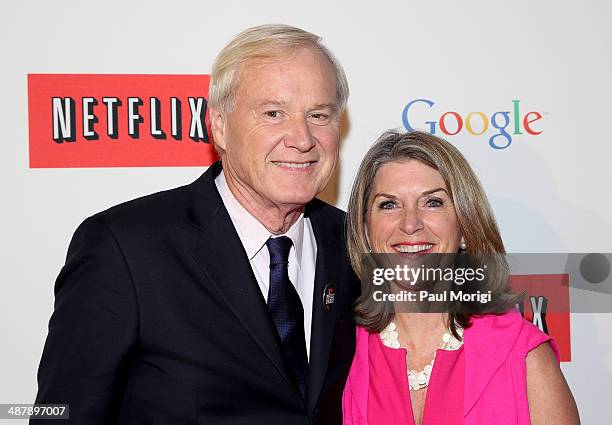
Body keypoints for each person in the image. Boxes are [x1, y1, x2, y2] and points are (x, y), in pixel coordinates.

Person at [33, 24, 359, 425]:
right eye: (273, 113)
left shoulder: (355, 244)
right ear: (219, 126)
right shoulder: (124, 249)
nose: (302, 138)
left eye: (319, 115)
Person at [342, 130, 579, 424]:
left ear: (465, 226)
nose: (410, 223)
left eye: (433, 202)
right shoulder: (340, 354)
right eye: (389, 204)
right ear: (365, 229)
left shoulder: (522, 354)